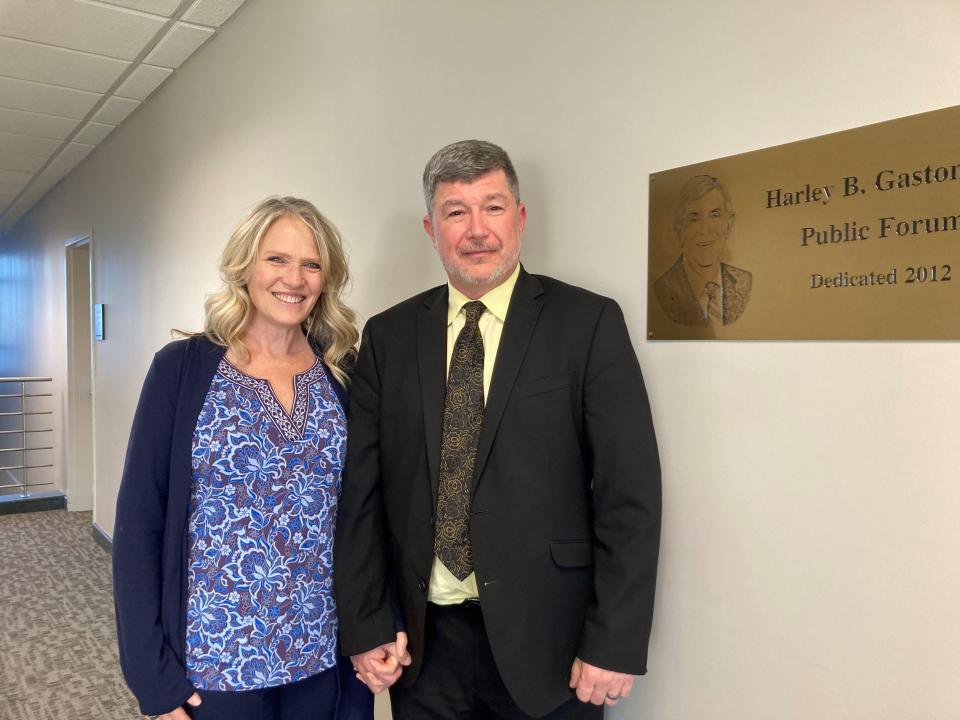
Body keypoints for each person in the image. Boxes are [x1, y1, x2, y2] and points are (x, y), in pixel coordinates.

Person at [334, 140, 661, 718]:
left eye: (493, 206)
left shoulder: (587, 323)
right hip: (423, 648)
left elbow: (628, 495)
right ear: (431, 229)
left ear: (521, 217)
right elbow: (361, 494)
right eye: (456, 212)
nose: (477, 229)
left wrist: (615, 640)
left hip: (551, 645)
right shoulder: (388, 337)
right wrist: (365, 623)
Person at [113, 197, 372, 720]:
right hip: (216, 664)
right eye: (276, 259)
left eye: (311, 263)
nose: (293, 278)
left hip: (322, 655)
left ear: (327, 278)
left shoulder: (343, 372)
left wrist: (376, 626)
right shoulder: (181, 371)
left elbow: (368, 513)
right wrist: (152, 677)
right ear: (245, 266)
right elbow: (140, 524)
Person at [653, 174, 752, 326]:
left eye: (714, 215)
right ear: (680, 230)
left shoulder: (744, 282)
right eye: (694, 219)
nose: (705, 230)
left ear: (729, 224)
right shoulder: (663, 288)